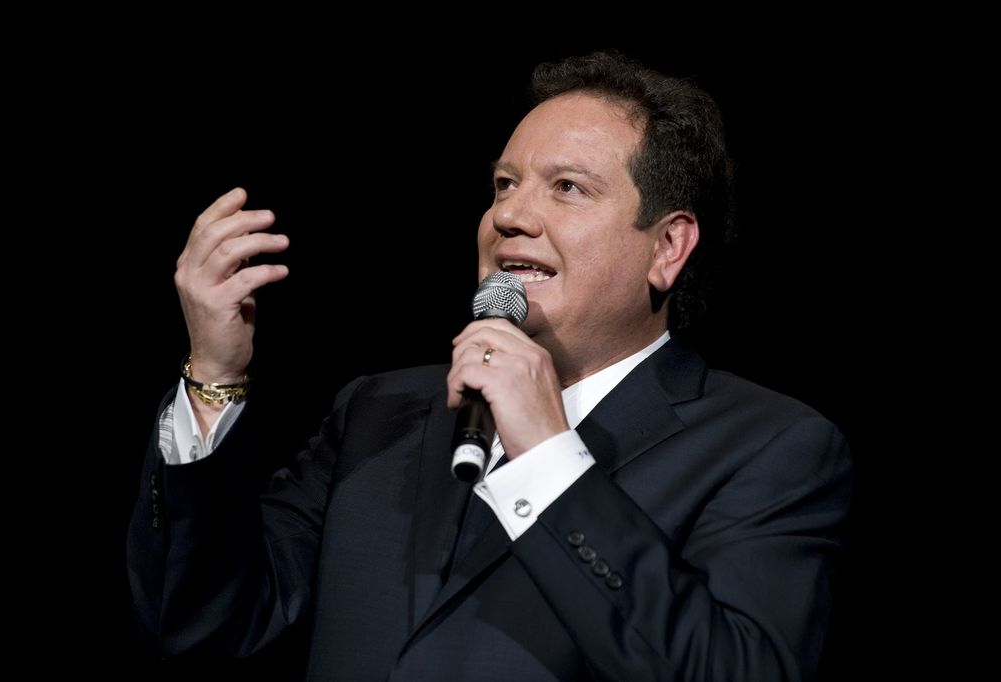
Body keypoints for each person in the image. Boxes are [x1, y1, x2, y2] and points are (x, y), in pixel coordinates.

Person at [129, 51, 851, 681]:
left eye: (567, 187)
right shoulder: (379, 412)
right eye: (505, 184)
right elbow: (202, 627)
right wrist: (215, 374)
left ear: (667, 248)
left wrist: (548, 457)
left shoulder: (770, 448)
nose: (509, 216)